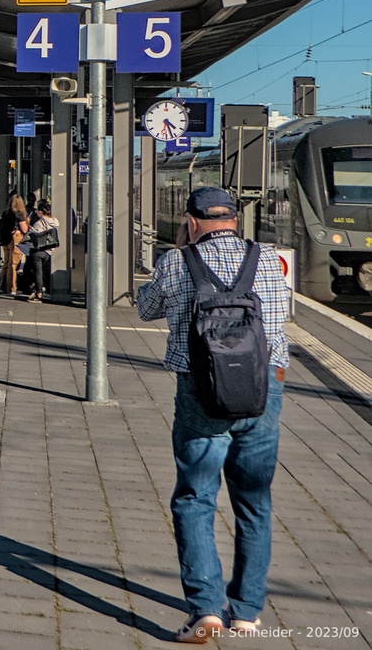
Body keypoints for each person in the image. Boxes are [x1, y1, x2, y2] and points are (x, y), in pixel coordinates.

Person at [137, 186, 289, 644]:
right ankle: (245, 611)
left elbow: (145, 309)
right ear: (234, 220)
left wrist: (175, 260)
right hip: (263, 392)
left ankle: (205, 610)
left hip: (202, 394)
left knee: (195, 498)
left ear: (192, 221)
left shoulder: (177, 261)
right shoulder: (266, 259)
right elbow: (279, 323)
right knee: (254, 500)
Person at [21, 200, 60, 299]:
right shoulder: (55, 222)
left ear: (40, 212)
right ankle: (47, 289)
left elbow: (30, 235)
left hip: (38, 250)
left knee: (38, 272)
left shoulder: (39, 223)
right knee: (46, 271)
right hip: (49, 250)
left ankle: (38, 292)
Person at [0, 195, 27, 294]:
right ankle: (12, 288)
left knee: (7, 262)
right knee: (13, 264)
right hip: (16, 238)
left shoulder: (6, 213)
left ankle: (2, 285)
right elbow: (24, 229)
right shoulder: (19, 214)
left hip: (5, 238)